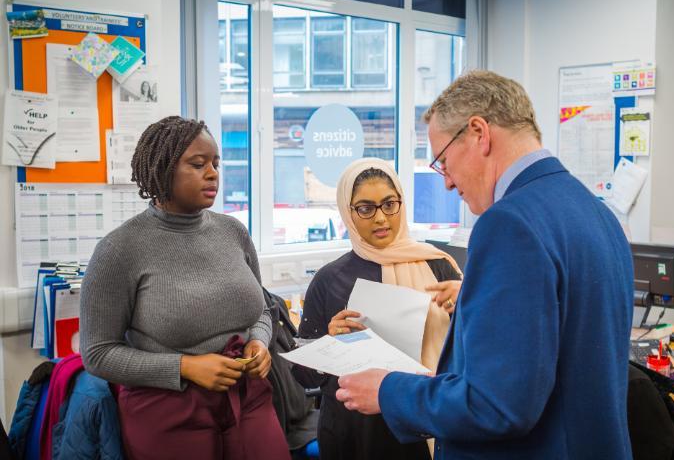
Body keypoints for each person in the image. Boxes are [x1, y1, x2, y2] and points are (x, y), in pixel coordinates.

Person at [334, 71, 634, 459]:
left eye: (443, 160)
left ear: (479, 133)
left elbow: (497, 405)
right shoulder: (598, 213)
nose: (446, 182)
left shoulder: (508, 225)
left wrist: (388, 390)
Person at [80, 116, 290, 460]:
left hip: (247, 399)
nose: (213, 174)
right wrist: (184, 367)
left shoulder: (232, 232)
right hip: (169, 409)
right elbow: (98, 353)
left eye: (216, 163)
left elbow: (262, 309)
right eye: (198, 164)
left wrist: (258, 341)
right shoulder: (120, 249)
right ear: (163, 170)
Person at [295, 158, 462, 460]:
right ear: (349, 212)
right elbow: (304, 377)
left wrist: (464, 309)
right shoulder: (330, 280)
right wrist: (329, 345)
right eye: (366, 208)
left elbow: (473, 353)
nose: (381, 219)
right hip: (356, 434)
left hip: (423, 422)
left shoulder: (439, 266)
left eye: (389, 204)